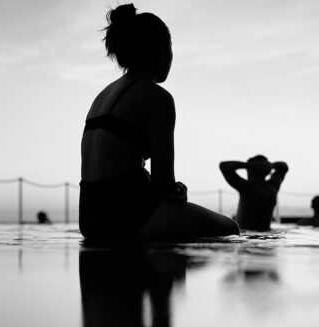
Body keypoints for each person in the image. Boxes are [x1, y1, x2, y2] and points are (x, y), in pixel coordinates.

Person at [80, 4, 238, 242]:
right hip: (129, 217)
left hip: (90, 219)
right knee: (231, 230)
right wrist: (178, 192)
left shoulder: (102, 95)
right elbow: (164, 185)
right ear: (161, 51)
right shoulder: (157, 97)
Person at [219, 155, 288, 231]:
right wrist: (270, 165)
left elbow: (224, 166)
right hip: (266, 233)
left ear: (251, 171)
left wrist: (249, 166)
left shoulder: (246, 187)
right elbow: (284, 167)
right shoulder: (273, 187)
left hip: (244, 235)